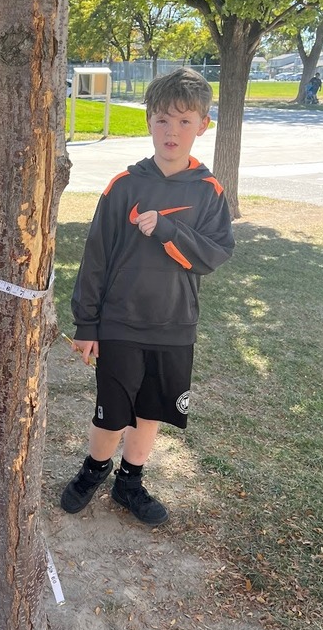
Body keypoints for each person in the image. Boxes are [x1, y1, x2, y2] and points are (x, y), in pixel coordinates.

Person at [60, 68, 234, 526]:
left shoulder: (209, 191)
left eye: (183, 121)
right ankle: (93, 470)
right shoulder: (125, 185)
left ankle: (130, 481)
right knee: (112, 411)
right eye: (161, 120)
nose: (171, 131)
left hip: (174, 324)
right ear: (147, 122)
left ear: (203, 125)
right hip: (120, 322)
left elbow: (213, 255)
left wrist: (170, 230)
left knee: (151, 409)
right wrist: (87, 324)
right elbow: (95, 257)